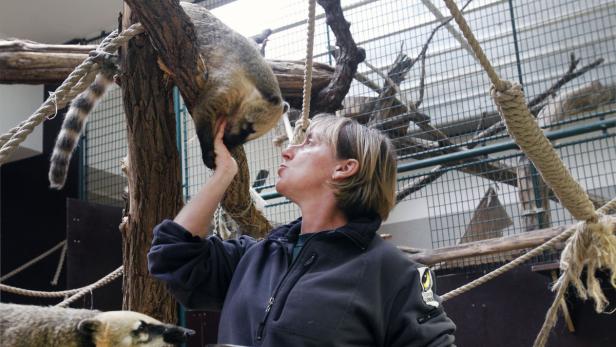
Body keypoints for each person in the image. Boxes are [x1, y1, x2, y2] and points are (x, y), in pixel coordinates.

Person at [148, 114, 456, 347]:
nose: (287, 151)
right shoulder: (256, 256)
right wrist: (224, 174)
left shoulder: (395, 274)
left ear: (344, 168)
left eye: (309, 142)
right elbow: (174, 253)